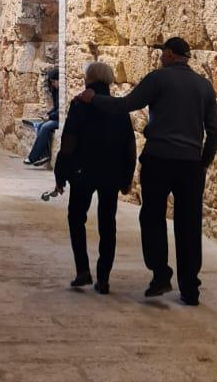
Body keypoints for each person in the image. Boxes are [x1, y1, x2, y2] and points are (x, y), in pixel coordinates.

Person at [77, 36, 217, 306]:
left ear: (169, 54)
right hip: (190, 164)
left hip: (159, 159)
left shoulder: (159, 79)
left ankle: (160, 275)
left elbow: (125, 105)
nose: (160, 58)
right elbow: (215, 132)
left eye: (162, 53)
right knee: (189, 225)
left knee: (153, 217)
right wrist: (203, 162)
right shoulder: (204, 86)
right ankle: (190, 288)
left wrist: (94, 99)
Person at [51, 62, 136, 294]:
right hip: (111, 172)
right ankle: (104, 277)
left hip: (83, 171)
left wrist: (61, 172)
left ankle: (82, 271)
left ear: (89, 79)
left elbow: (69, 140)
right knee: (108, 223)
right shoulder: (119, 106)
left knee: (76, 218)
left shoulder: (80, 105)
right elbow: (130, 143)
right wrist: (128, 175)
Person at [24, 67, 60, 167]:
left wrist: (50, 117)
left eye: (54, 81)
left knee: (45, 127)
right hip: (56, 117)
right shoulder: (56, 92)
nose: (52, 84)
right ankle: (44, 154)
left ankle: (33, 157)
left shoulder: (61, 92)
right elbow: (56, 108)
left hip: (60, 119)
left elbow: (61, 111)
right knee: (40, 126)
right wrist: (48, 114)